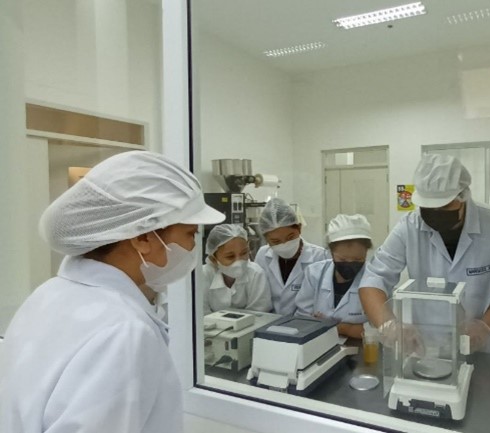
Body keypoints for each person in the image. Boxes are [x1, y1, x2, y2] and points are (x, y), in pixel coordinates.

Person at [0, 151, 225, 433]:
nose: (193, 247)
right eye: (190, 233)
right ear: (143, 237)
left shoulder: (49, 294)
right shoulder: (124, 331)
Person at [359, 154, 490, 356]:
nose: (435, 213)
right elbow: (374, 279)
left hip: (485, 350)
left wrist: (484, 327)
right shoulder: (409, 227)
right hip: (427, 349)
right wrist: (388, 325)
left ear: (463, 196)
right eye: (428, 207)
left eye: (444, 206)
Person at [295, 214, 372, 339]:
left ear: (366, 252)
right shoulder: (314, 273)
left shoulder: (375, 278)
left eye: (358, 259)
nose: (349, 265)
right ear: (331, 252)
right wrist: (353, 328)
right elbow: (303, 321)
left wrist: (342, 328)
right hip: (317, 343)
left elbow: (381, 329)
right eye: (343, 259)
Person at [254, 198, 328, 315]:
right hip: (269, 321)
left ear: (299, 228)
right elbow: (258, 296)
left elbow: (322, 300)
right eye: (276, 241)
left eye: (290, 237)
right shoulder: (262, 255)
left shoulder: (320, 256)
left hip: (305, 321)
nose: (285, 244)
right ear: (266, 239)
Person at [202, 224, 271, 314]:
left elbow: (259, 312)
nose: (239, 261)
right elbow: (201, 313)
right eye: (230, 256)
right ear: (213, 259)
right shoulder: (203, 275)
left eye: (244, 253)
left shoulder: (256, 273)